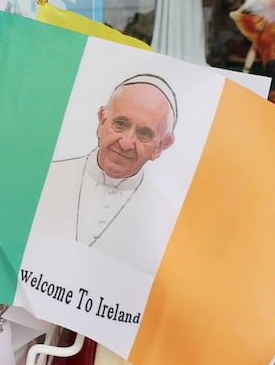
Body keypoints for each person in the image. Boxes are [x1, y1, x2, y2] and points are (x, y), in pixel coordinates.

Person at [31, 74, 178, 275]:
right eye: (120, 124)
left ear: (161, 145)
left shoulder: (166, 221)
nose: (126, 143)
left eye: (144, 134)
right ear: (102, 121)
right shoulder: (44, 178)